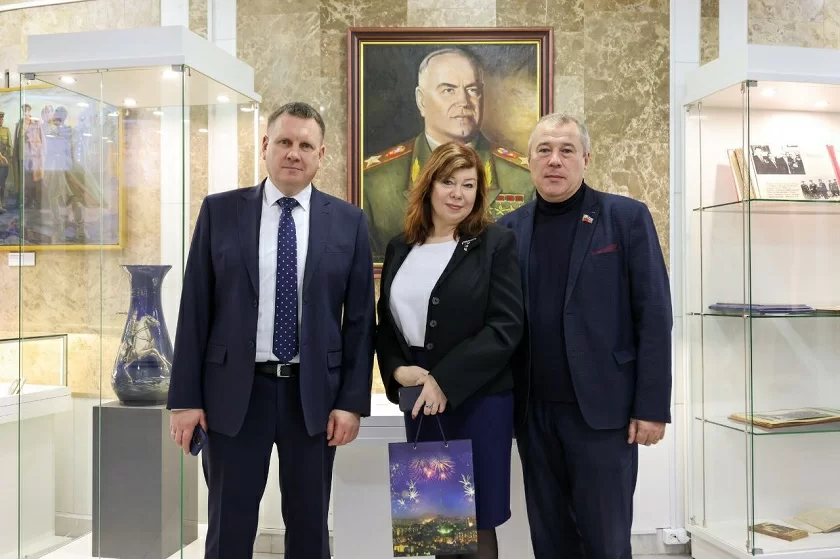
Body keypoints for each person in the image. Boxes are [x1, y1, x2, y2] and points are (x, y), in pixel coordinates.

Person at [166, 102, 376, 559]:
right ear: (265, 146)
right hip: (233, 396)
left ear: (321, 155)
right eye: (284, 141)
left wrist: (350, 402)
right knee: (229, 526)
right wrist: (184, 399)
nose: (293, 153)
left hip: (313, 399)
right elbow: (195, 309)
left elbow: (361, 322)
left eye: (305, 145)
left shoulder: (349, 221)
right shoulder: (220, 211)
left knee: (310, 528)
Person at [497, 113, 673, 559]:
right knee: (550, 541)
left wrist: (651, 407)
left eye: (566, 150)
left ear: (586, 158)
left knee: (606, 542)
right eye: (544, 150)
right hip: (534, 415)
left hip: (603, 415)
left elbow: (654, 315)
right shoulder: (508, 230)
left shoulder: (626, 218)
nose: (554, 160)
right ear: (529, 160)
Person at [376, 141, 524, 559]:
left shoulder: (496, 243)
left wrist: (445, 379)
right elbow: (387, 327)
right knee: (435, 523)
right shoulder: (400, 246)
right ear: (429, 186)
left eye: (469, 184)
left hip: (480, 399)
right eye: (448, 182)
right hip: (420, 400)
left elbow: (506, 327)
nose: (458, 194)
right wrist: (397, 371)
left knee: (476, 521)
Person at [363, 47, 534, 261]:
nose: (464, 101)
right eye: (448, 90)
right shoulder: (373, 182)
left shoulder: (525, 178)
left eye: (473, 90)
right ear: (421, 100)